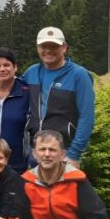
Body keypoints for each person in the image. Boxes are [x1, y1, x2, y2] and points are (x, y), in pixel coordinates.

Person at [23, 27, 95, 167]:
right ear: (37, 48)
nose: (48, 50)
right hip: (35, 150)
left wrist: (74, 154)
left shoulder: (79, 75)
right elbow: (9, 88)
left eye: (54, 46)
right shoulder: (31, 72)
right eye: (44, 46)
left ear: (64, 47)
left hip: (64, 152)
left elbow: (87, 116)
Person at [0, 48, 30, 173]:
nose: (2, 69)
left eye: (7, 65)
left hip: (16, 166)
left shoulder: (27, 93)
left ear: (15, 68)